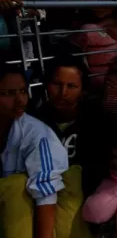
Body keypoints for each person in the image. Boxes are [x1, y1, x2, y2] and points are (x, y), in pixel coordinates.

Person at [0, 65, 74, 238]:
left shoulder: (36, 135)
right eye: (9, 93)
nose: (20, 99)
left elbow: (46, 197)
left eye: (22, 90)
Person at [34, 54, 110, 197]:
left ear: (83, 90)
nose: (63, 93)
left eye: (72, 86)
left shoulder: (98, 122)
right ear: (46, 84)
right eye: (57, 84)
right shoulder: (34, 123)